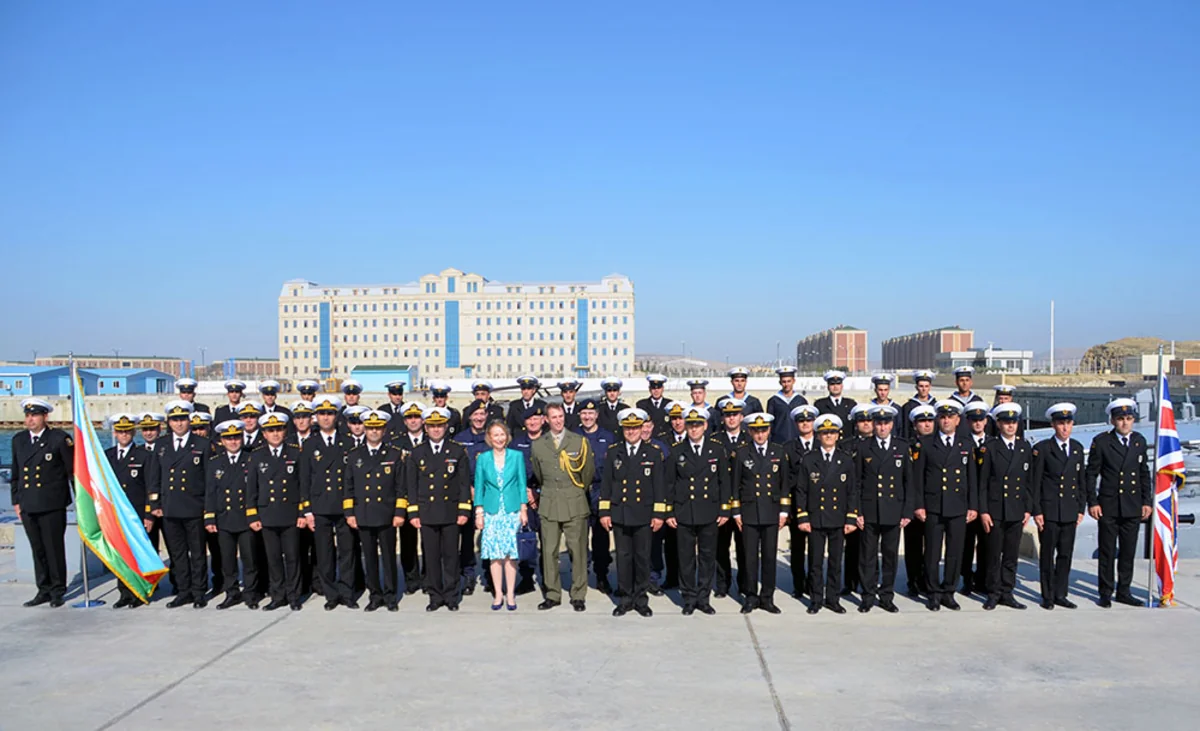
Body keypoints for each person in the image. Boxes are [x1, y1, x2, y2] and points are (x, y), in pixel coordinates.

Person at [1085, 397, 1152, 607]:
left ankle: (1124, 590)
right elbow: (1091, 474)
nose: (1125, 423)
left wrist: (1146, 501)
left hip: (1132, 505)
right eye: (1121, 419)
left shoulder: (1139, 441)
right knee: (1107, 550)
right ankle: (1105, 591)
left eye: (1129, 418)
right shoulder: (1103, 442)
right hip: (1109, 505)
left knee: (1128, 551)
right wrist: (1093, 502)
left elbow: (1143, 473)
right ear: (1113, 421)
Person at [600, 408, 666, 617]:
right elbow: (607, 484)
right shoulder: (613, 452)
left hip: (644, 514)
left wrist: (658, 515)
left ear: (642, 428)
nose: (631, 432)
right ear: (623, 429)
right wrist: (604, 512)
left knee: (642, 558)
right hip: (620, 513)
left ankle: (641, 600)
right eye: (628, 428)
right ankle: (625, 599)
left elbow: (659, 486)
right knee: (623, 557)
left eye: (635, 428)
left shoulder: (653, 453)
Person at [914, 401, 979, 612]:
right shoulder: (926, 444)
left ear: (958, 420)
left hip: (958, 506)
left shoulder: (966, 445)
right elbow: (919, 479)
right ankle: (933, 593)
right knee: (932, 552)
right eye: (942, 417)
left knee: (955, 552)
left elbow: (972, 479)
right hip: (933, 506)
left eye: (950, 417)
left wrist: (973, 506)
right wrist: (919, 505)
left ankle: (949, 591)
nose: (946, 420)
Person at [405, 406, 472, 612]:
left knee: (451, 556)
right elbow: (412, 485)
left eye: (439, 426)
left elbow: (463, 483)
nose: (436, 430)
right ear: (426, 428)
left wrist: (464, 511)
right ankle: (435, 595)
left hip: (450, 512)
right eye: (432, 426)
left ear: (446, 427)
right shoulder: (417, 453)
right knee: (431, 557)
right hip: (427, 512)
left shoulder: (457, 450)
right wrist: (413, 512)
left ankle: (452, 595)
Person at [530, 403, 595, 611]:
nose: (558, 420)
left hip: (574, 501)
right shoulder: (539, 444)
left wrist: (573, 491)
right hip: (549, 502)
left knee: (577, 551)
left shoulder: (579, 441)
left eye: (561, 416)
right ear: (546, 420)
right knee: (549, 551)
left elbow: (587, 474)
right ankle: (552, 593)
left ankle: (578, 594)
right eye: (554, 417)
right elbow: (539, 474)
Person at [148, 400, 211, 608]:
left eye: (183, 419)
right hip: (170, 507)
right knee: (178, 554)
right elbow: (154, 477)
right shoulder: (161, 445)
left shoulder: (201, 444)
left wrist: (208, 508)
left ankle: (199, 591)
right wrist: (154, 503)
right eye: (175, 420)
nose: (179, 424)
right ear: (169, 422)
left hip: (194, 506)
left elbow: (209, 479)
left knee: (198, 553)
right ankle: (184, 591)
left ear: (189, 420)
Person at [668, 406, 729, 615]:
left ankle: (703, 598)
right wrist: (669, 512)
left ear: (704, 426)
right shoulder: (677, 451)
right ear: (685, 427)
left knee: (707, 557)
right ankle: (688, 598)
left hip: (709, 511)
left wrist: (724, 509)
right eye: (690, 426)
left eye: (697, 425)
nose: (693, 430)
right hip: (684, 511)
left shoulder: (716, 449)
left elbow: (724, 481)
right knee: (685, 558)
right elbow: (670, 483)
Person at [12, 398, 74, 608]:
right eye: (28, 416)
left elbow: (72, 472)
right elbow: (16, 473)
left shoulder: (58, 439)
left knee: (53, 548)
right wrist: (16, 501)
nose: (30, 420)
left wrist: (81, 502)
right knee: (37, 549)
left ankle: (57, 590)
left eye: (34, 415)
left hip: (52, 504)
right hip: (28, 504)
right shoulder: (19, 440)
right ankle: (43, 589)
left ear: (45, 417)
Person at [301, 395, 360, 611]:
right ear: (316, 417)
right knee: (324, 554)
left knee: (347, 552)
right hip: (320, 506)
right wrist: (307, 510)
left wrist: (352, 506)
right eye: (322, 414)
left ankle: (347, 592)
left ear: (336, 416)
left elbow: (353, 478)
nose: (326, 418)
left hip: (343, 506)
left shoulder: (348, 441)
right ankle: (331, 594)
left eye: (330, 413)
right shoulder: (310, 444)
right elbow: (304, 479)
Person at [796, 415, 858, 614]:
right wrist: (803, 516)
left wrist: (851, 517)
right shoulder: (809, 459)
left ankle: (833, 599)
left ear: (838, 435)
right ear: (818, 435)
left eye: (832, 432)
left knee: (834, 561)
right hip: (816, 518)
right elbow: (801, 490)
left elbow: (852, 490)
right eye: (824, 433)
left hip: (838, 518)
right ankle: (816, 599)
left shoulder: (846, 460)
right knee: (815, 562)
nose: (828, 436)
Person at [344, 409, 405, 612]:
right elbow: (348, 487)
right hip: (364, 514)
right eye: (370, 428)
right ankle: (375, 595)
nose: (373, 432)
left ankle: (390, 596)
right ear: (364, 429)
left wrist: (399, 513)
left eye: (378, 428)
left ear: (384, 430)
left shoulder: (394, 454)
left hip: (386, 514)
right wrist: (350, 513)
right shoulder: (354, 456)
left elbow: (400, 487)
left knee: (388, 557)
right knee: (369, 558)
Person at [855, 405, 913, 613]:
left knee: (890, 556)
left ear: (892, 425)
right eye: (878, 423)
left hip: (893, 510)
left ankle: (886, 595)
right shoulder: (864, 448)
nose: (882, 427)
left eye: (886, 423)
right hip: (870, 510)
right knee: (867, 557)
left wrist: (907, 512)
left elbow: (909, 482)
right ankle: (868, 595)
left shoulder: (902, 447)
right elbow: (857, 483)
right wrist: (857, 512)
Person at [247, 413, 305, 611]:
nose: (275, 434)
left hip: (290, 515)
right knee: (273, 559)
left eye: (279, 429)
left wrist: (302, 513)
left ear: (285, 431)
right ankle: (277, 595)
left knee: (292, 558)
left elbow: (302, 485)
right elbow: (252, 488)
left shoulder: (295, 453)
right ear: (264, 433)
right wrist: (253, 515)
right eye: (271, 430)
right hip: (267, 515)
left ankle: (294, 596)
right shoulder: (257, 455)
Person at [977, 403, 1032, 611]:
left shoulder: (1024, 447)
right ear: (998, 424)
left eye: (1013, 422)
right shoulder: (990, 447)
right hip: (995, 510)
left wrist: (1028, 509)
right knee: (993, 554)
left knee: (1010, 555)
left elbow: (1029, 482)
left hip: (1016, 509)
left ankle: (1007, 592)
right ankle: (993, 593)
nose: (1010, 426)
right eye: (1006, 422)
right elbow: (982, 483)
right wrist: (983, 511)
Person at [1031, 403, 1086, 610]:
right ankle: (1047, 595)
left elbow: (1081, 482)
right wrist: (1037, 511)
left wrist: (1081, 508)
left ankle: (1061, 594)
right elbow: (1035, 483)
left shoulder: (1078, 449)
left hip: (1070, 510)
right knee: (1047, 555)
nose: (1065, 428)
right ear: (1053, 425)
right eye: (1061, 423)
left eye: (1068, 423)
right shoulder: (1043, 449)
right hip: (1050, 511)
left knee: (1065, 555)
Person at [732, 413, 788, 614]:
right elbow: (735, 484)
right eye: (756, 431)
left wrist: (783, 512)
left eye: (763, 430)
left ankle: (767, 597)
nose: (760, 434)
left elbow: (784, 485)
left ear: (769, 430)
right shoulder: (741, 453)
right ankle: (750, 596)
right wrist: (736, 512)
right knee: (749, 558)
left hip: (771, 512)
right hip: (749, 512)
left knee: (769, 557)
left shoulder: (778, 452)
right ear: (750, 432)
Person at [203, 420, 260, 610]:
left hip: (245, 518)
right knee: (227, 560)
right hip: (224, 518)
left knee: (250, 559)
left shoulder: (251, 458)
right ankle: (232, 593)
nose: (233, 442)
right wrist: (209, 516)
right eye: (229, 438)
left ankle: (251, 594)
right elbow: (210, 492)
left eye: (236, 437)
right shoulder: (215, 462)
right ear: (222, 441)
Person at [474, 421, 529, 611]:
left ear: (507, 436)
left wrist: (523, 509)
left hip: (511, 511)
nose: (499, 438)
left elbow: (522, 483)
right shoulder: (483, 458)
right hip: (492, 512)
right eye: (495, 435)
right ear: (489, 437)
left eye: (502, 434)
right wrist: (479, 512)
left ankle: (511, 594)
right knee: (495, 556)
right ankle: (498, 593)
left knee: (510, 555)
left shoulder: (516, 456)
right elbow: (479, 486)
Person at [106, 414, 150, 608]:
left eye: (127, 431)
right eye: (120, 431)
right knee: (121, 554)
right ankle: (124, 592)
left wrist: (149, 515)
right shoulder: (107, 456)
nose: (124, 435)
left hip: (136, 512)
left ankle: (139, 591)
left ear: (133, 433)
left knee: (138, 554)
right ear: (115, 433)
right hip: (115, 514)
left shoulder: (143, 455)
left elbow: (150, 487)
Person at [577, 399, 617, 594]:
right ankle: (580, 576)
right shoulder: (573, 436)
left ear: (597, 416)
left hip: (601, 492)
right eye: (584, 413)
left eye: (591, 414)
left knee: (601, 539)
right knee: (578, 538)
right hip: (578, 493)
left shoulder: (608, 437)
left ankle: (602, 576)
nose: (587, 417)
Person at [713, 397, 749, 598]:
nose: (731, 418)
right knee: (721, 547)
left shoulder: (749, 439)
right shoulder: (715, 441)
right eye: (728, 415)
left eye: (735, 414)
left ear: (741, 417)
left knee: (744, 547)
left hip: (744, 503)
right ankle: (722, 584)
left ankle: (744, 584)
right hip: (721, 502)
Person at [783, 404, 819, 599]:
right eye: (801, 421)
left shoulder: (822, 444)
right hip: (797, 505)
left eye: (808, 420)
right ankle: (799, 584)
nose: (805, 424)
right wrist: (787, 509)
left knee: (815, 549)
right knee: (797, 549)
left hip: (818, 506)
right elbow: (785, 480)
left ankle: (814, 586)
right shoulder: (788, 448)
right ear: (796, 424)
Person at [392, 400, 427, 594]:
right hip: (405, 498)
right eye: (409, 417)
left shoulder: (432, 438)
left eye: (416, 417)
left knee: (429, 542)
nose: (413, 421)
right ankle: (411, 579)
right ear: (404, 421)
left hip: (427, 497)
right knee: (407, 541)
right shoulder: (397, 443)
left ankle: (428, 577)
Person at [903, 404, 936, 598]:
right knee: (913, 545)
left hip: (933, 503)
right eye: (922, 422)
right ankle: (913, 581)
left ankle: (929, 580)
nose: (926, 425)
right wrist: (913, 505)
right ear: (915, 425)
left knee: (932, 546)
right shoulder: (908, 446)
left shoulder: (938, 445)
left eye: (929, 421)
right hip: (913, 502)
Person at [959, 401, 991, 596]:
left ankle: (983, 578)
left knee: (987, 544)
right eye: (974, 420)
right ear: (968, 421)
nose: (978, 423)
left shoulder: (993, 443)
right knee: (966, 545)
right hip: (967, 503)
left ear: (986, 421)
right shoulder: (962, 443)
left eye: (981, 419)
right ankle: (966, 579)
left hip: (988, 503)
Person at [766, 366, 806, 445]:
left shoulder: (801, 400)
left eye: (789, 381)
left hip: (797, 441)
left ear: (793, 381)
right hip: (778, 441)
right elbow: (770, 424)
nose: (786, 384)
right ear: (780, 382)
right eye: (784, 381)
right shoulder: (773, 401)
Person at [814, 370, 856, 439]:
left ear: (842, 386)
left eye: (838, 384)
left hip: (847, 443)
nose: (835, 387)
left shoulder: (851, 404)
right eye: (832, 384)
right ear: (828, 386)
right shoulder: (820, 405)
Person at [900, 370, 937, 441]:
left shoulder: (935, 405)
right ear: (916, 387)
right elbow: (905, 429)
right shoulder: (908, 407)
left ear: (930, 387)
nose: (924, 389)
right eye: (921, 386)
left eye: (926, 386)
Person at [636, 374, 672, 438]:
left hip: (666, 440)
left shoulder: (669, 404)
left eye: (658, 388)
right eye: (653, 388)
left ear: (663, 389)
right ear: (649, 389)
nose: (656, 391)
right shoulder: (641, 405)